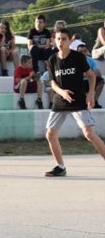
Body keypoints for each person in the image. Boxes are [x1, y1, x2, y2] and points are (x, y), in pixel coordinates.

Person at [44, 28, 105, 177]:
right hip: (60, 100)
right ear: (54, 40)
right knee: (50, 134)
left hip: (78, 100)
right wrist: (62, 92)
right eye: (58, 39)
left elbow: (91, 76)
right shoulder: (52, 59)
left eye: (64, 39)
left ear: (70, 40)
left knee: (89, 133)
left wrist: (91, 94)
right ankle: (60, 167)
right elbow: (52, 83)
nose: (61, 42)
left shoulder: (77, 57)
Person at [76, 41, 104, 109]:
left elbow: (98, 73)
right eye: (80, 51)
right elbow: (76, 75)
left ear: (87, 52)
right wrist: (90, 74)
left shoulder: (91, 60)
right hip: (79, 82)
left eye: (84, 51)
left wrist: (85, 74)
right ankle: (83, 102)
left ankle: (94, 101)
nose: (83, 53)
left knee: (101, 80)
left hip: (90, 81)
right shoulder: (74, 61)